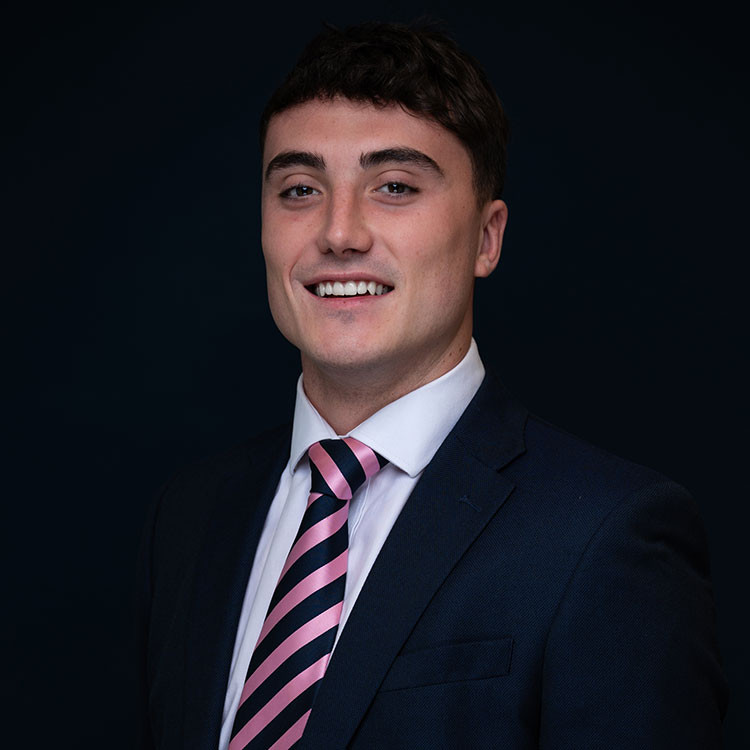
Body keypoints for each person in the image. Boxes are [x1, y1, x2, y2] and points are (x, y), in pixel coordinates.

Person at [136, 21, 728, 750]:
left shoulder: (606, 536)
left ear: (487, 237)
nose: (339, 233)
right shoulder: (190, 517)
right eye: (299, 189)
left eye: (394, 187)